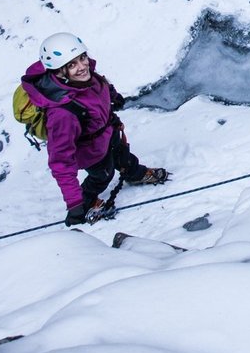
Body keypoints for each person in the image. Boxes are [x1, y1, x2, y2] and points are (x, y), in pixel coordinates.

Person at [21, 32, 168, 225]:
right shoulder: (62, 114)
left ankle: (134, 173)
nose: (82, 66)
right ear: (58, 71)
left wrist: (113, 96)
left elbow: (100, 86)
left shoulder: (86, 77)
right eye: (72, 65)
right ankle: (87, 200)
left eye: (82, 58)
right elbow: (61, 162)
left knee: (123, 155)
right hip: (91, 151)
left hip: (108, 130)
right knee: (103, 175)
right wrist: (74, 204)